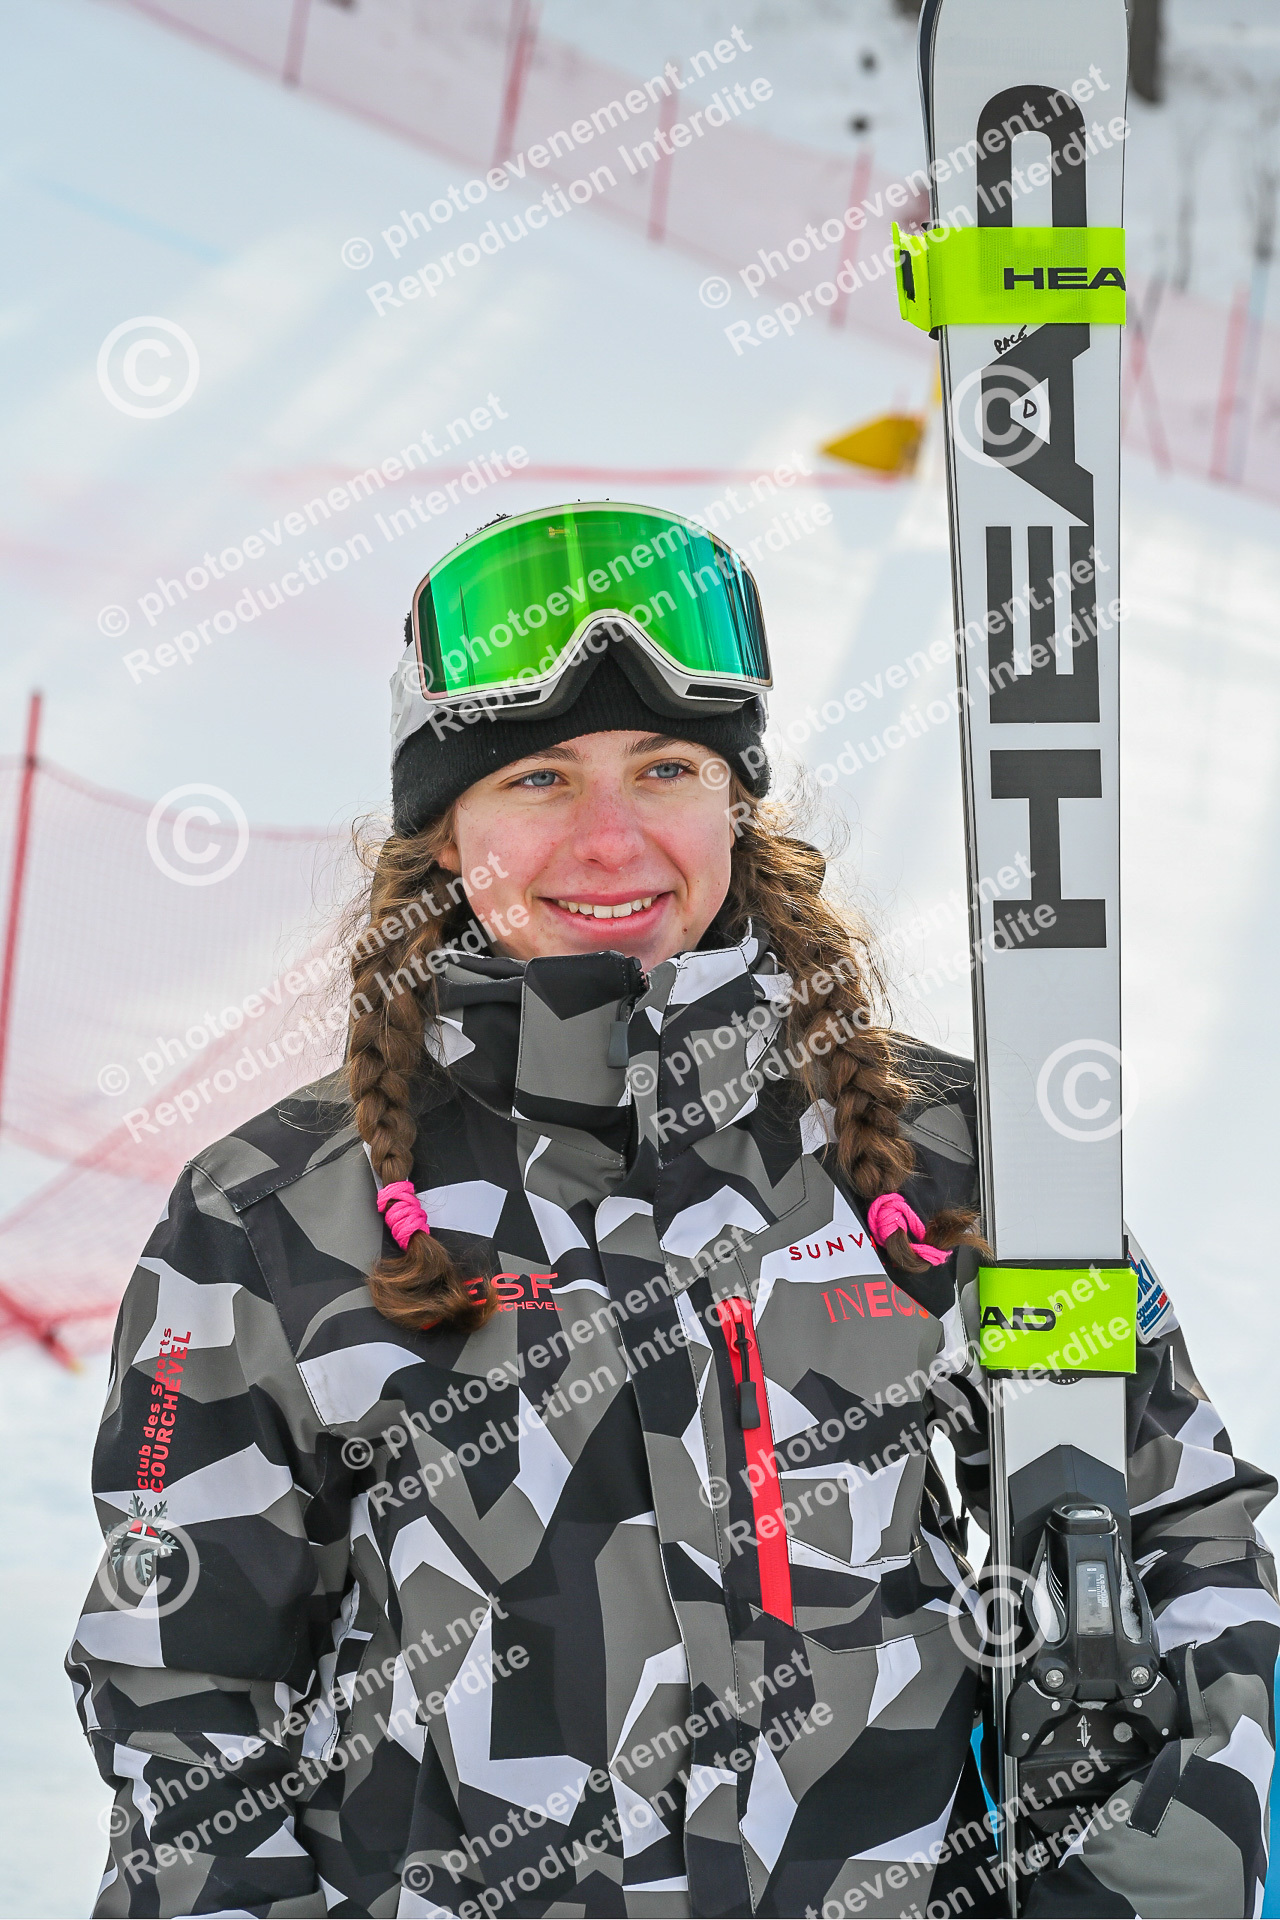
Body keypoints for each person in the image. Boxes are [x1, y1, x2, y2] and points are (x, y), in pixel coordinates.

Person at [70, 503, 1278, 1919]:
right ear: (446, 833)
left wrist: (1146, 1889)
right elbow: (181, 1692)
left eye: (666, 768)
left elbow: (1180, 1530)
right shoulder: (270, 1217)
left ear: (734, 803)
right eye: (537, 779)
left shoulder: (960, 1164)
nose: (612, 837)